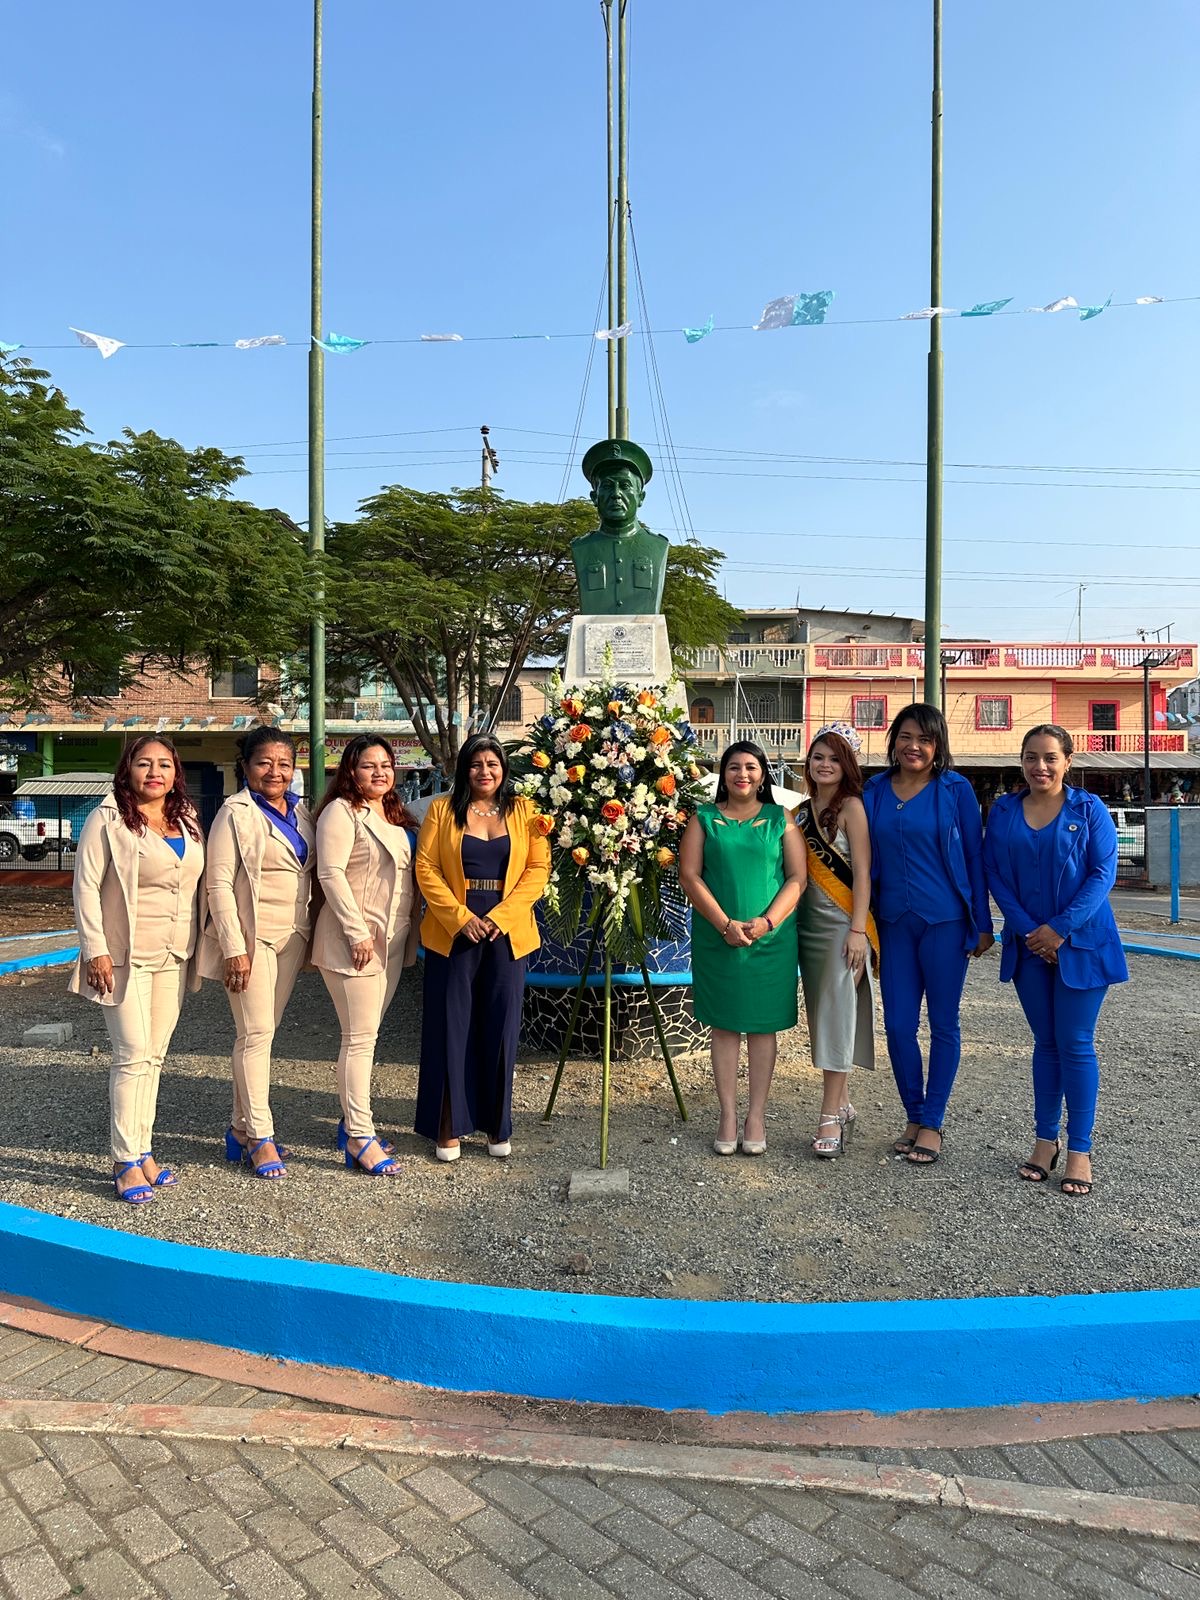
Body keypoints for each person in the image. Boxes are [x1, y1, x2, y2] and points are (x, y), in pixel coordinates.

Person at [982, 725, 1128, 1197]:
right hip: (1029, 945)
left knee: (1076, 1043)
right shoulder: (1004, 811)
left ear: (1068, 760)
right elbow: (994, 873)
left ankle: (1080, 1149)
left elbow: (1102, 873)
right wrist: (1031, 930)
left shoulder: (1089, 810)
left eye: (1049, 757)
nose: (1039, 766)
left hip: (1081, 944)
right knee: (1045, 1044)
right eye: (1031, 757)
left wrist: (1060, 928)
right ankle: (1045, 1141)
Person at [69, 736, 206, 1203]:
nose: (154, 772)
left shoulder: (186, 819)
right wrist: (95, 949)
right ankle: (124, 1159)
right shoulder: (107, 818)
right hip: (123, 956)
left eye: (164, 764)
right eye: (144, 763)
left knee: (155, 1056)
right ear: (127, 770)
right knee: (131, 1054)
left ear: (175, 772)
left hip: (174, 954)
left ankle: (143, 1149)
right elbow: (86, 886)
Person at [862, 704, 994, 1166]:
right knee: (898, 1025)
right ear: (893, 740)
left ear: (938, 745)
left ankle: (933, 1121)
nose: (913, 746)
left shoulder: (955, 789)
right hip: (893, 924)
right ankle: (913, 1114)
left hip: (945, 922)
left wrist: (983, 922)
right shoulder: (874, 790)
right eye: (905, 736)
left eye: (925, 738)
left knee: (943, 1023)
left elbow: (975, 857)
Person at [415, 734, 549, 1161]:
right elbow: (426, 868)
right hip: (453, 929)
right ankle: (448, 1123)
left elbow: (538, 868)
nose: (484, 771)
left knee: (501, 1025)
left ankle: (496, 1124)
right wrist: (460, 918)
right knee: (450, 1024)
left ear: (504, 769)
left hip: (506, 931)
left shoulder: (526, 811)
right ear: (464, 770)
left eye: (492, 763)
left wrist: (500, 917)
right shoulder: (441, 810)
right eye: (476, 764)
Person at [679, 740, 805, 1157]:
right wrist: (725, 924)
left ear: (763, 773)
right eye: (734, 767)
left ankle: (756, 1117)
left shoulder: (781, 818)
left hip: (771, 941)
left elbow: (797, 878)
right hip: (719, 938)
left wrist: (767, 922)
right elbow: (690, 875)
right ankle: (728, 1115)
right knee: (725, 1026)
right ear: (724, 774)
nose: (743, 774)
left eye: (751, 767)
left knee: (763, 1026)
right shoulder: (703, 818)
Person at [200, 726, 315, 1179]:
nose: (275, 771)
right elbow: (218, 884)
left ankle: (239, 1128)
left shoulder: (301, 811)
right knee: (255, 1033)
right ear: (246, 766)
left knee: (261, 1035)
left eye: (284, 763)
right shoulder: (235, 812)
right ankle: (261, 1137)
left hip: (293, 936)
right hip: (252, 939)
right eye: (264, 762)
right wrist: (234, 948)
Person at [312, 735, 418, 1176]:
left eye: (386, 765)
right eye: (368, 765)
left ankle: (350, 1122)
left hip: (391, 941)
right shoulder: (341, 812)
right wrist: (356, 932)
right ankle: (359, 1135)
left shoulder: (393, 814)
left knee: (368, 1035)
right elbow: (330, 873)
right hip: (354, 942)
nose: (379, 772)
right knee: (359, 1039)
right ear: (350, 772)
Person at [795, 724, 877, 1159]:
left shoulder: (852, 808)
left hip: (842, 927)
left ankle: (829, 1115)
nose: (824, 765)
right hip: (807, 926)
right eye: (818, 757)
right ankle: (842, 1104)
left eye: (833, 758)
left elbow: (862, 873)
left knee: (836, 1015)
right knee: (824, 1016)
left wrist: (858, 930)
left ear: (847, 765)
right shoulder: (800, 812)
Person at [570, 438, 670, 615]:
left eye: (625, 486)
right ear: (594, 497)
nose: (616, 494)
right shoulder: (581, 547)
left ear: (641, 497)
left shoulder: (658, 546)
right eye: (607, 486)